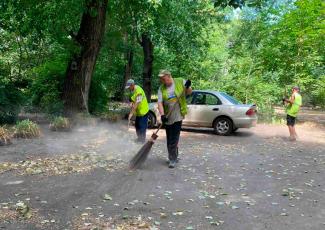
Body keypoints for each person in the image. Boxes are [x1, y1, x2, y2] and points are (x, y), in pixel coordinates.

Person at [157, 70, 192, 168]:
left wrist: (188, 87)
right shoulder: (161, 88)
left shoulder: (180, 81)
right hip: (168, 115)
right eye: (161, 79)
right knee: (169, 137)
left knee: (174, 136)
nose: (162, 81)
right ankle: (174, 155)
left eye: (163, 79)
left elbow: (189, 93)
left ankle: (172, 158)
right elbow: (160, 103)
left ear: (169, 76)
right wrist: (162, 115)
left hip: (178, 114)